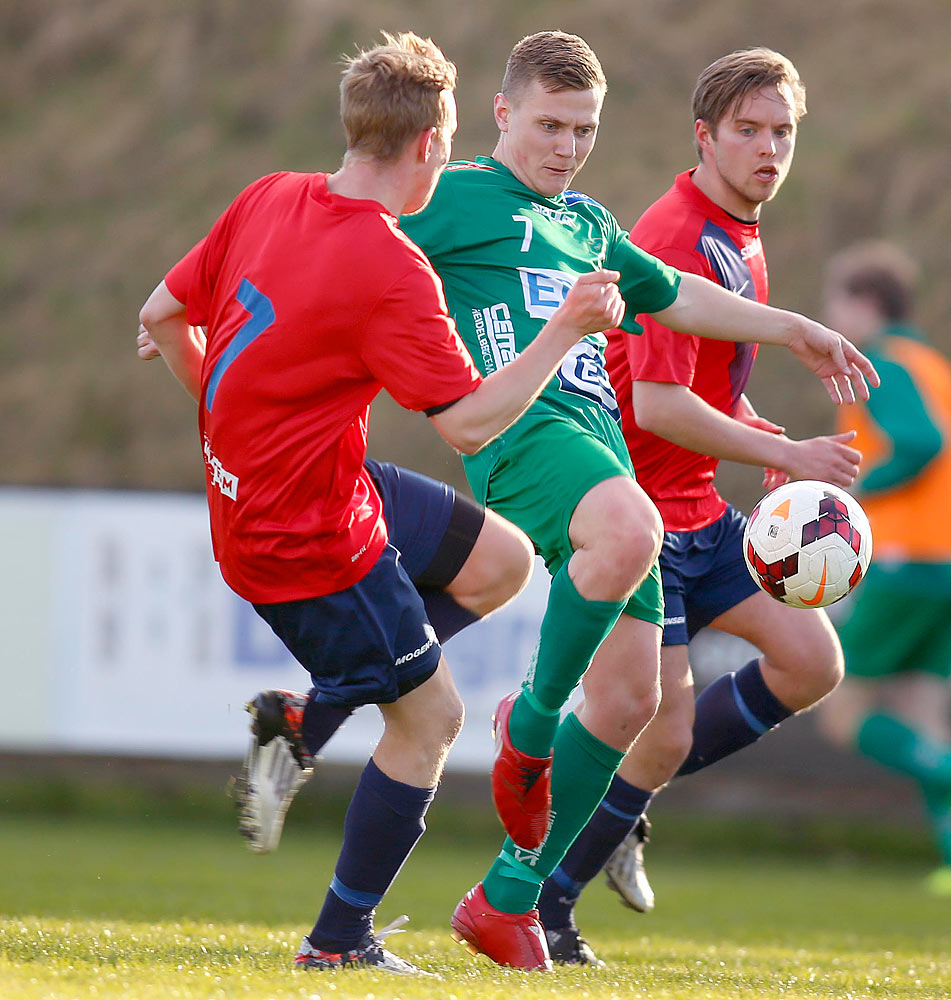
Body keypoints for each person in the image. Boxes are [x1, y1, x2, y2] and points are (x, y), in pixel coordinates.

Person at [135, 32, 629, 976]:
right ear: (433, 146)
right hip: (305, 537)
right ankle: (337, 943)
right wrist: (564, 328)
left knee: (503, 562)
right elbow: (473, 426)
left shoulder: (269, 194)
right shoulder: (391, 267)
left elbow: (161, 313)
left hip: (303, 482)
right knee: (430, 721)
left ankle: (305, 717)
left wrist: (224, 428)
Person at [395, 31, 878, 972]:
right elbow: (349, 245)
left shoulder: (587, 221)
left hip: (602, 452)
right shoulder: (451, 199)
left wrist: (797, 331)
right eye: (547, 125)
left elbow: (680, 302)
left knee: (626, 706)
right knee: (629, 528)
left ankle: (507, 901)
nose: (565, 146)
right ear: (501, 116)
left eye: (582, 130)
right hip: (529, 442)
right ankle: (528, 729)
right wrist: (233, 306)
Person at [533, 47, 863, 966]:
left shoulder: (740, 230)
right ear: (704, 138)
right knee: (660, 724)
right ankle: (547, 904)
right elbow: (657, 405)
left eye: (781, 132)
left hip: (696, 508)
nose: (767, 150)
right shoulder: (678, 234)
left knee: (809, 660)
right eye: (747, 131)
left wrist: (757, 431)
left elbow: (700, 380)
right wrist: (786, 451)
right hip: (635, 511)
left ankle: (625, 801)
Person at [814, 240, 951, 896]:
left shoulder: (882, 364)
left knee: (842, 712)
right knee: (923, 714)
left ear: (866, 304)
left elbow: (922, 443)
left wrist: (853, 491)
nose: (830, 315)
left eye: (836, 302)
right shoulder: (931, 362)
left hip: (908, 559)